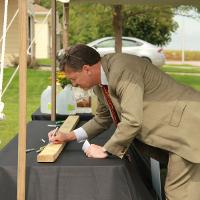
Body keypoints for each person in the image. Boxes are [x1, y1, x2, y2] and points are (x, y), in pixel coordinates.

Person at [48, 44, 200, 200]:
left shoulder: (121, 70)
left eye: (73, 79)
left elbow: (132, 120)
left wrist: (106, 150)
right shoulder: (100, 85)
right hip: (177, 128)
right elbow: (102, 119)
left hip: (187, 127)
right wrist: (69, 136)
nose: (74, 84)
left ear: (87, 69)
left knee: (179, 193)